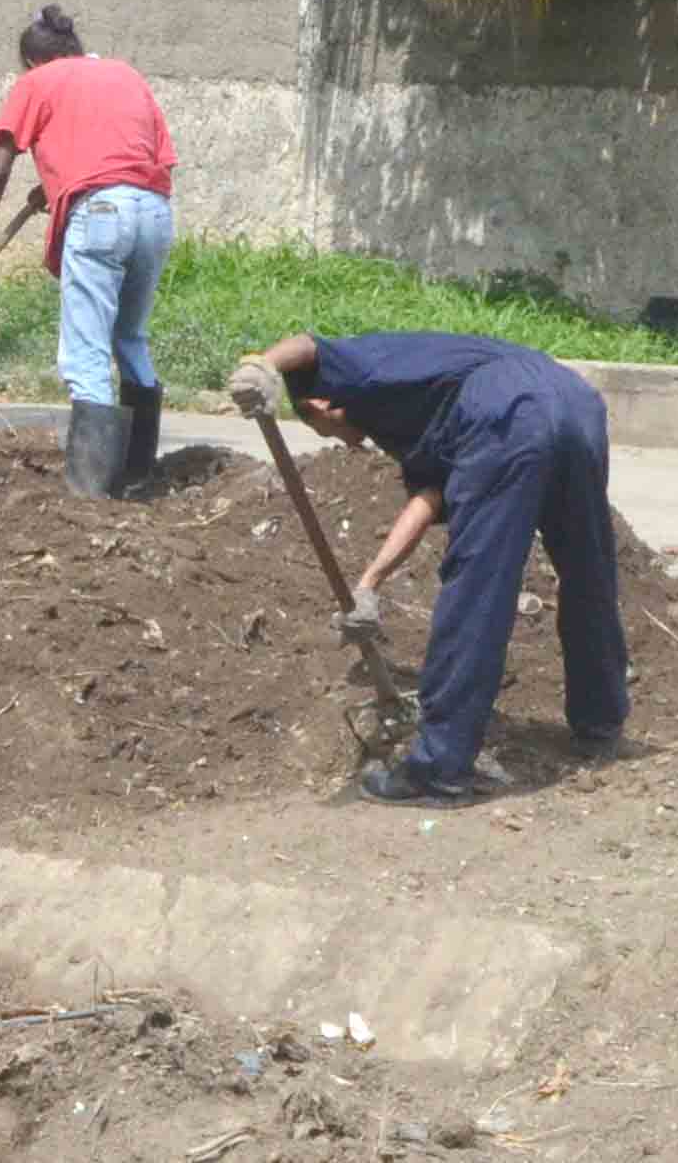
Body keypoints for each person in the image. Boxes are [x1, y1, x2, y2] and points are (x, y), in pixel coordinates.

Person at [229, 328, 624, 805]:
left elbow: (310, 347)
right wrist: (369, 585)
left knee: (479, 588)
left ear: (321, 407)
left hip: (507, 416)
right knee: (588, 570)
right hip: (576, 404)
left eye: (324, 431)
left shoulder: (368, 375)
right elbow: (428, 498)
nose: (347, 445)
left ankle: (439, 768)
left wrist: (261, 363)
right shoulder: (423, 399)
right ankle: (600, 723)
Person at [0, 6, 176, 499]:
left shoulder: (39, 82)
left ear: (34, 62)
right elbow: (137, 157)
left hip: (100, 215)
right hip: (155, 211)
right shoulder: (125, 75)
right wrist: (57, 188)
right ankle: (137, 475)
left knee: (86, 354)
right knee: (130, 339)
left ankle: (90, 490)